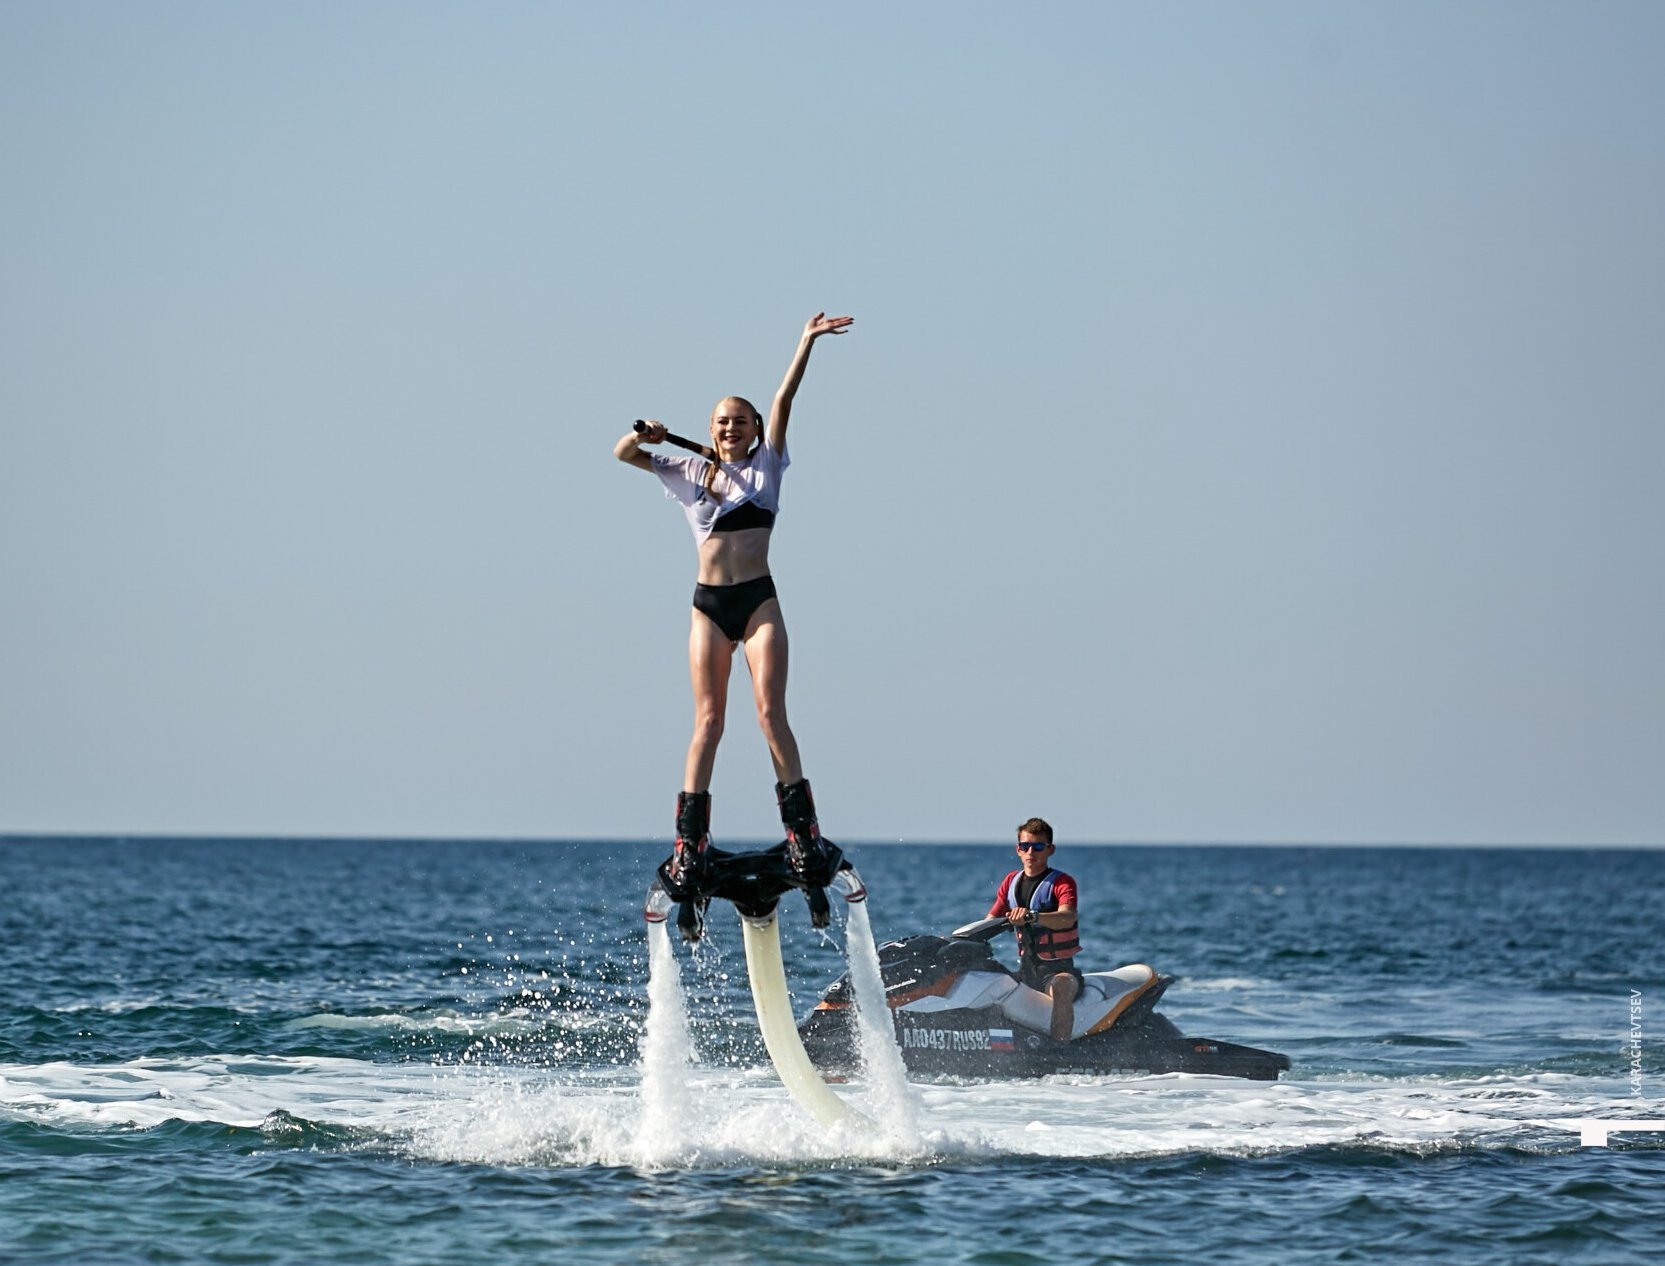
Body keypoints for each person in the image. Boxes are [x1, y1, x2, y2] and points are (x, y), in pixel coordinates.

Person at [614, 312, 853, 892]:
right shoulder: (690, 468)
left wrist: (805, 343)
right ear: (710, 427)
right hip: (709, 606)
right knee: (710, 721)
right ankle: (690, 843)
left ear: (752, 431)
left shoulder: (768, 466)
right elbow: (623, 453)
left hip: (759, 602)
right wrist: (645, 437)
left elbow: (783, 396)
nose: (730, 428)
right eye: (722, 421)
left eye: (739, 422)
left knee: (771, 714)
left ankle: (801, 833)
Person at [987, 817, 1082, 1041]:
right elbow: (990, 920)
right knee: (984, 980)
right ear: (1018, 850)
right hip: (1025, 971)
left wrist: (1033, 916)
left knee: (1061, 987)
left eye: (1038, 847)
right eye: (1025, 846)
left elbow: (1068, 917)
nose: (1031, 852)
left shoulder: (1062, 883)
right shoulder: (1010, 882)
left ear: (1050, 849)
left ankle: (1060, 1051)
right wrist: (957, 939)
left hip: (1058, 971)